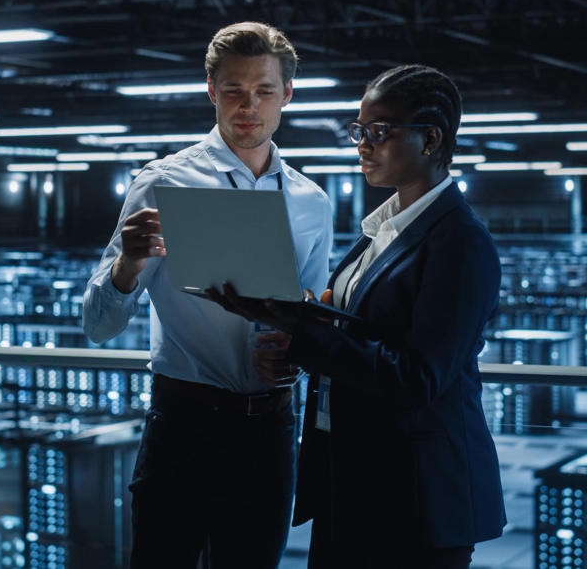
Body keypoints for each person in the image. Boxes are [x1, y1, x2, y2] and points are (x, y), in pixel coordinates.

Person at [207, 65, 506, 569]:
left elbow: (418, 376)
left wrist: (304, 334)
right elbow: (362, 332)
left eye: (379, 131)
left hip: (416, 500)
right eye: (359, 130)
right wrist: (291, 324)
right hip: (355, 484)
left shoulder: (460, 242)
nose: (362, 144)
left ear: (430, 139)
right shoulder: (382, 230)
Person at [82, 21, 333, 568]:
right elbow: (98, 325)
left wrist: (297, 356)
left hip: (272, 430)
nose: (249, 107)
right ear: (211, 91)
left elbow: (311, 316)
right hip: (185, 427)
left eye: (265, 91)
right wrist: (128, 263)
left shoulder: (312, 202)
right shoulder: (163, 183)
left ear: (286, 94)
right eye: (233, 91)